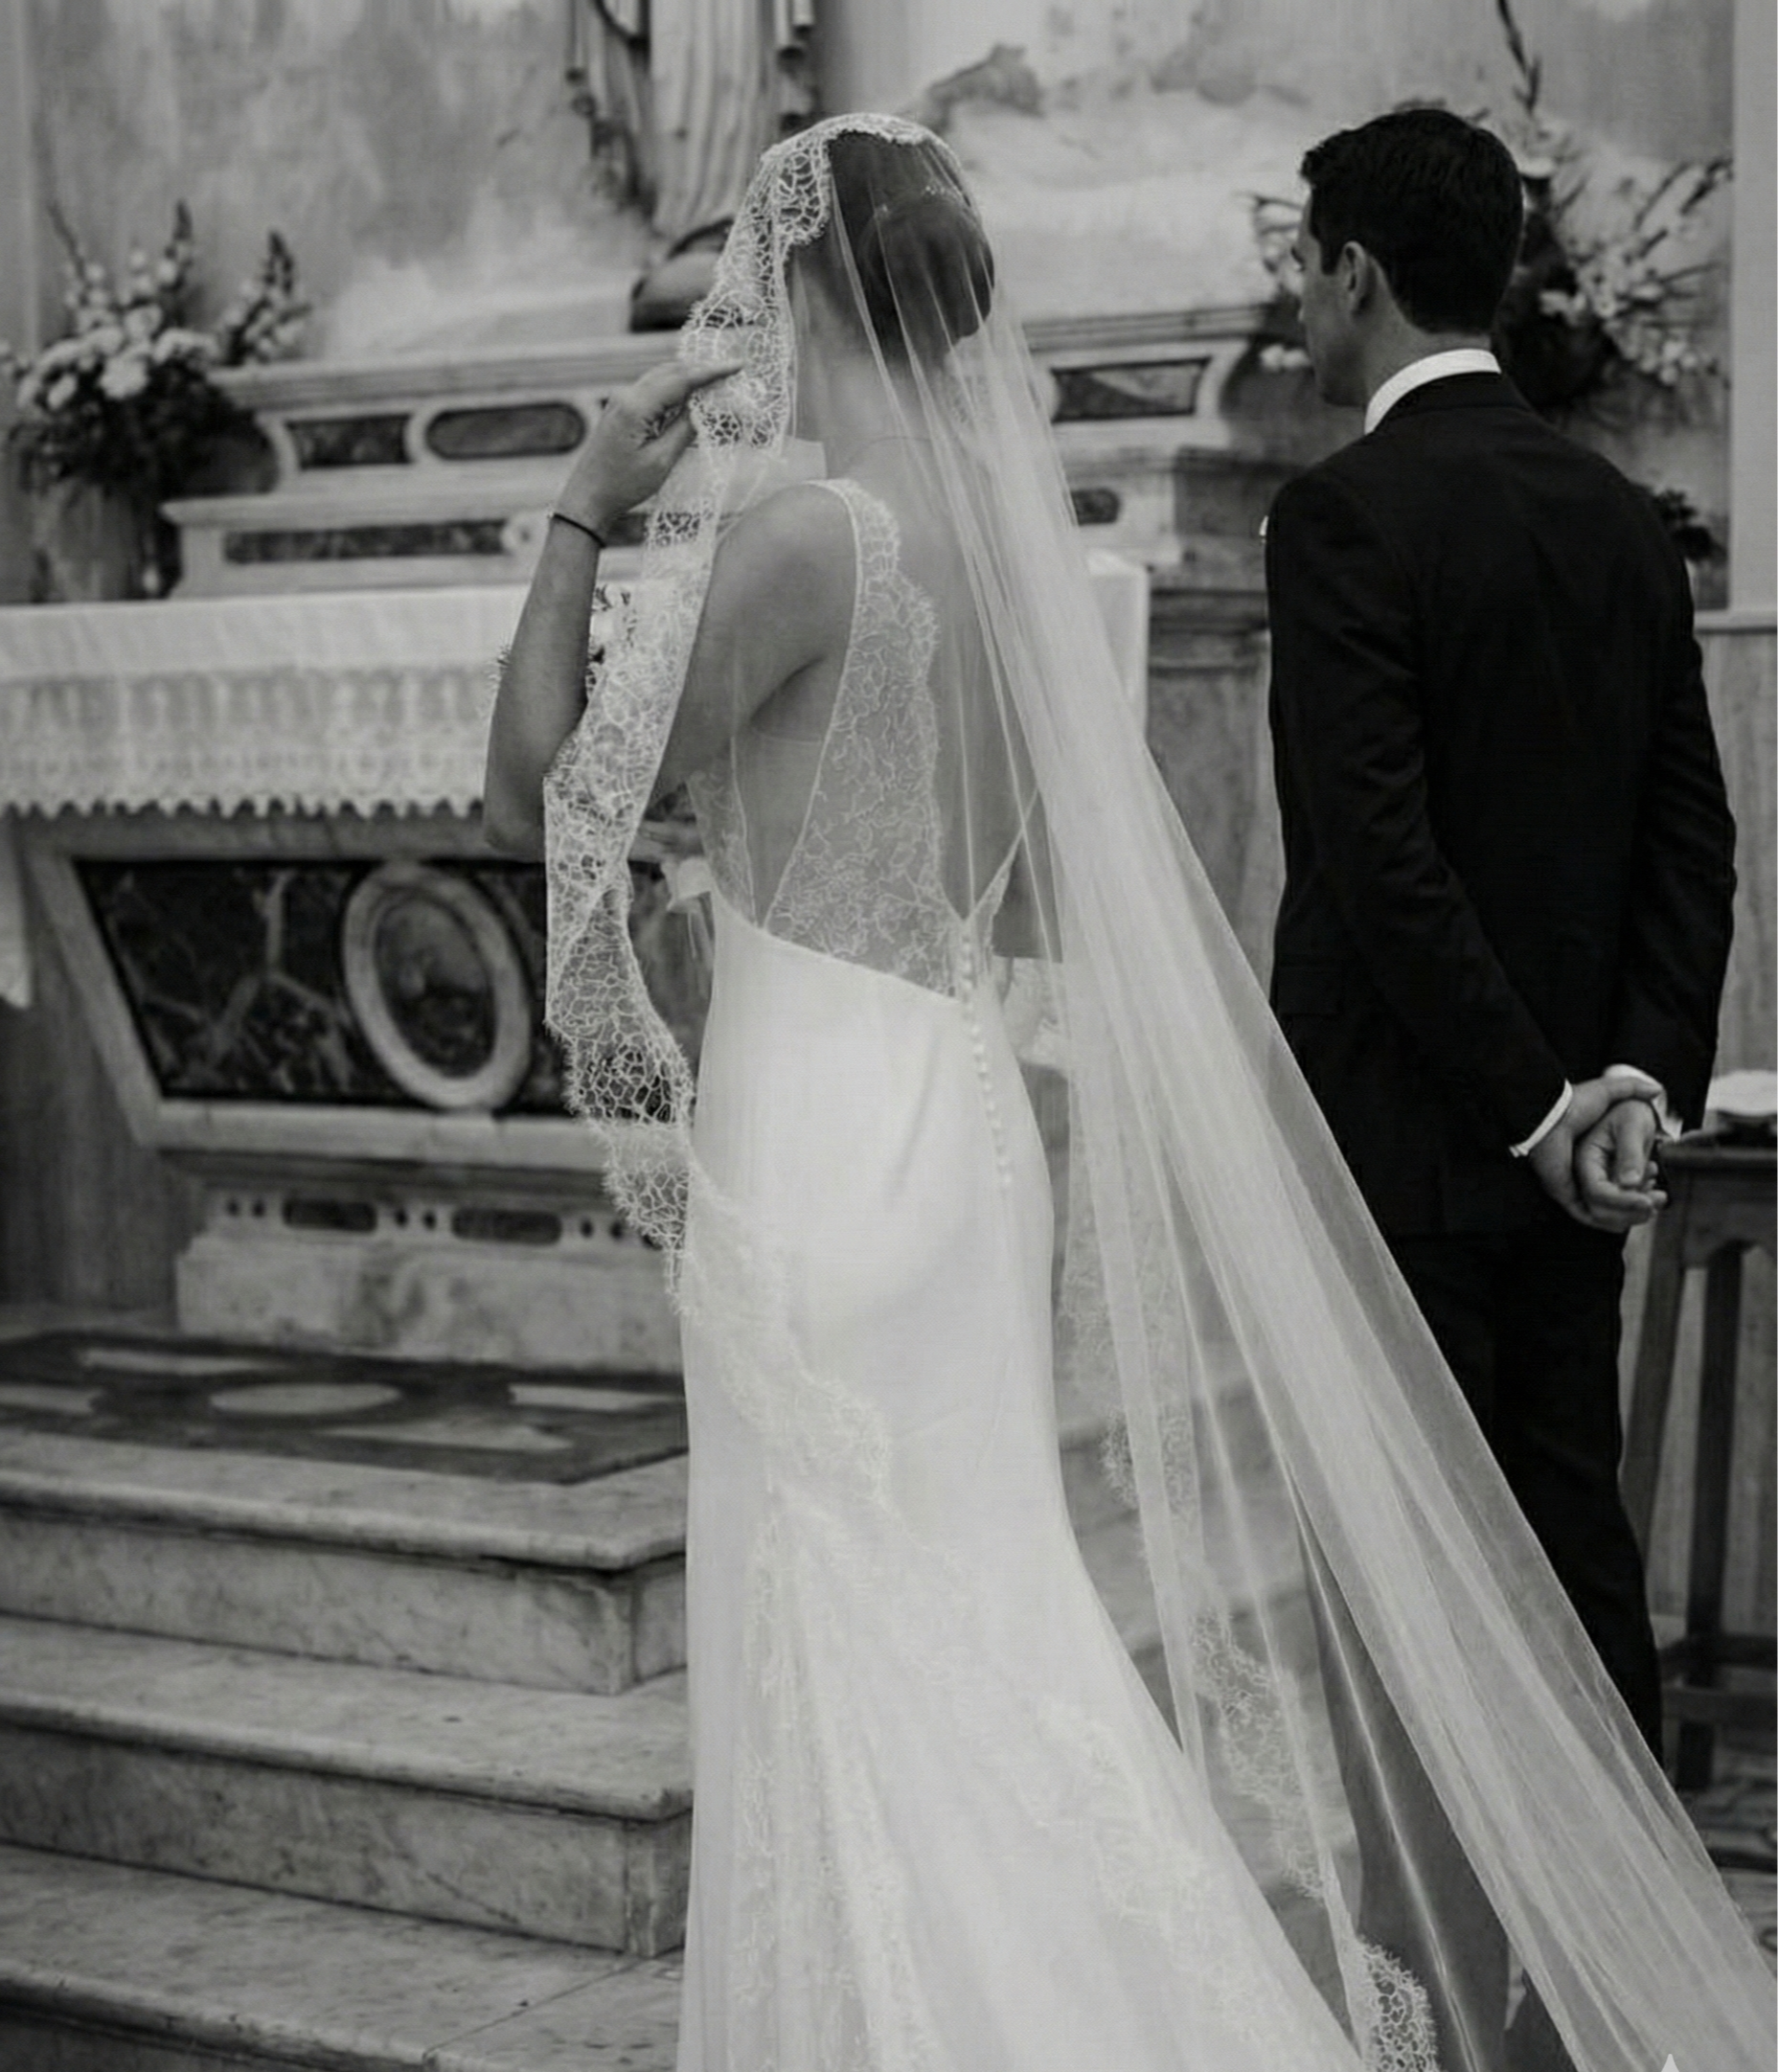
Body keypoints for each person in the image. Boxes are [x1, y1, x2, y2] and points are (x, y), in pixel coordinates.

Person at [486, 112, 1777, 2072]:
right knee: (983, 1600)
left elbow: (537, 793)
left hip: (829, 1127)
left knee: (844, 1614)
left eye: (745, 277)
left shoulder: (806, 535)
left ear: (802, 288)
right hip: (969, 1124)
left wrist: (583, 503)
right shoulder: (1026, 562)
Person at [1265, 106, 1738, 2068]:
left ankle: (1431, 1993)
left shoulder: (1343, 518)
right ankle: (1613, 1973)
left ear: (1359, 273)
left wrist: (1528, 1102)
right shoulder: (1613, 506)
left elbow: (1371, 862)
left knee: (1406, 1588)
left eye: (1307, 265)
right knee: (1570, 1550)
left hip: (1408, 1143)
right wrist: (1624, 1083)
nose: (1300, 304)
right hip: (1574, 1162)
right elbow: (1688, 844)